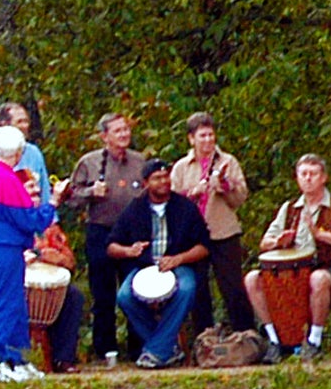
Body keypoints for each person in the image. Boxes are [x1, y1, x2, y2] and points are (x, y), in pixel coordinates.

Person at [57, 113, 157, 363]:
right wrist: (92, 192)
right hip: (101, 231)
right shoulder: (90, 163)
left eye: (126, 129)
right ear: (104, 136)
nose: (124, 134)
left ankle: (139, 347)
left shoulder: (139, 161)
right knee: (103, 293)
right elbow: (70, 197)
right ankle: (105, 350)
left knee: (137, 289)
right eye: (117, 131)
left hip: (133, 233)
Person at [245, 156, 331, 358]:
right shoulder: (289, 209)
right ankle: (275, 340)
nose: (308, 178)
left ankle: (313, 342)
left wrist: (320, 235)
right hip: (292, 275)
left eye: (313, 174)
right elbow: (264, 243)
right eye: (303, 174)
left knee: (317, 278)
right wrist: (278, 242)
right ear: (297, 178)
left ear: (324, 177)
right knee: (252, 279)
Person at [0, 125, 56, 382]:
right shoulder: (6, 180)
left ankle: (16, 359)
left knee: (15, 303)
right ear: (18, 152)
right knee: (5, 303)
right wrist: (53, 204)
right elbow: (30, 221)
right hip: (3, 247)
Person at [105, 159, 213, 368]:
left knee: (187, 289)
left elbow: (204, 246)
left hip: (178, 266)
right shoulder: (134, 209)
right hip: (145, 268)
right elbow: (111, 246)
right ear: (146, 183)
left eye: (166, 177)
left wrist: (178, 259)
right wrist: (129, 250)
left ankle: (157, 350)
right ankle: (168, 348)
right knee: (125, 296)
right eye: (157, 178)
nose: (163, 181)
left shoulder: (185, 208)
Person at [169, 113, 254, 337]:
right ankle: (203, 340)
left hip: (223, 232)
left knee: (233, 288)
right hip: (194, 238)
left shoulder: (229, 162)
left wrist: (225, 186)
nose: (207, 140)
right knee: (198, 291)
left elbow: (240, 200)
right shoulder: (181, 167)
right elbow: (172, 204)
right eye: (202, 136)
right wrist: (192, 193)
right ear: (191, 139)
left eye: (211, 135)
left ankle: (246, 336)